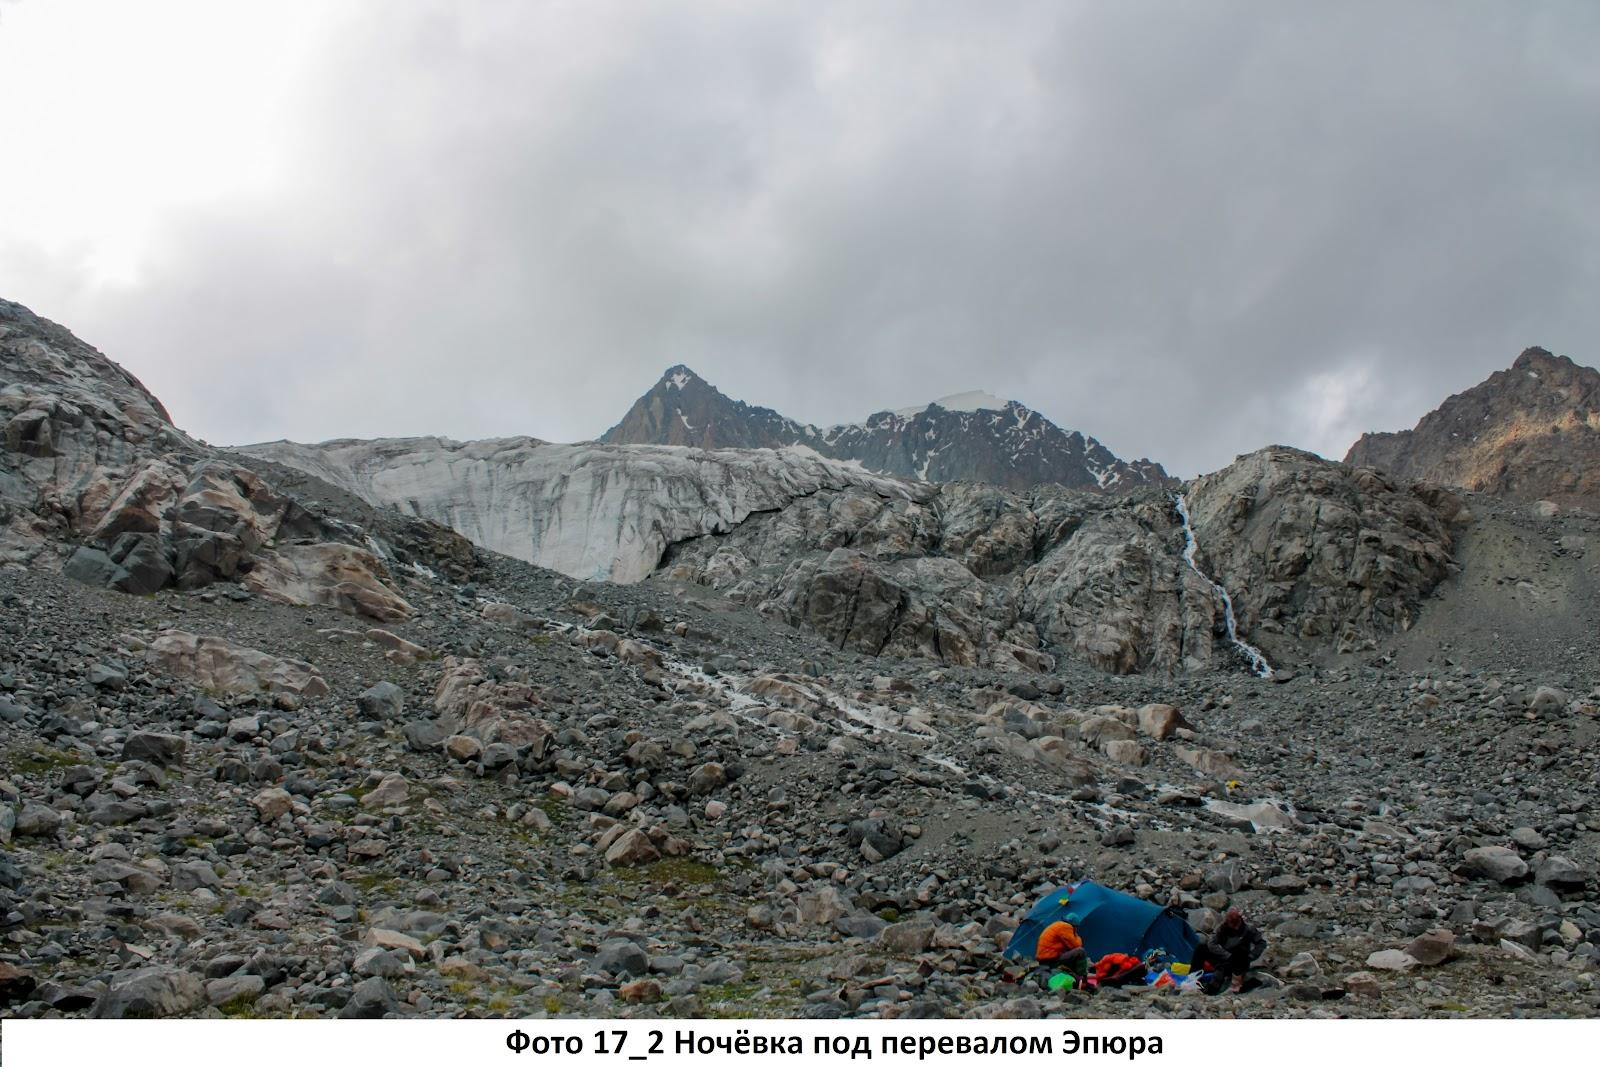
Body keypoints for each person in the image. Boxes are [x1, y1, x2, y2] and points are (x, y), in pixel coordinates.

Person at [1194, 908, 1266, 992]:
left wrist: (1252, 955)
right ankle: (1194, 975)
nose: (1235, 927)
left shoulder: (1248, 929)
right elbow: (1212, 944)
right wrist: (1226, 955)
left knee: (1224, 967)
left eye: (1236, 923)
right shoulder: (1221, 928)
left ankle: (1213, 988)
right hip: (1225, 955)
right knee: (1201, 948)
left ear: (1240, 919)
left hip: (1240, 959)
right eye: (1232, 924)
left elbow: (1261, 943)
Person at [1035, 917, 1088, 986]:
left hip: (1044, 960)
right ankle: (1082, 978)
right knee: (1080, 952)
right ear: (1074, 925)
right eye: (1076, 927)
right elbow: (1076, 945)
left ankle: (1075, 977)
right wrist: (1076, 936)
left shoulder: (1058, 925)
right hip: (1051, 961)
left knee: (1070, 954)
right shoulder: (1066, 927)